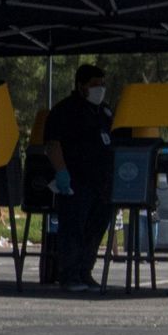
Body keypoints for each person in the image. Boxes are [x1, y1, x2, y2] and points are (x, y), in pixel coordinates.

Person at [44, 64, 115, 294]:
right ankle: (69, 274)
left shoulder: (105, 112)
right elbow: (53, 144)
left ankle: (85, 271)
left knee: (94, 230)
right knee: (73, 230)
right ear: (81, 85)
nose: (100, 89)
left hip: (101, 184)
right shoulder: (65, 110)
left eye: (103, 84)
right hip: (76, 182)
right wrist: (61, 172)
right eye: (95, 85)